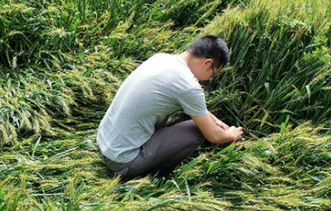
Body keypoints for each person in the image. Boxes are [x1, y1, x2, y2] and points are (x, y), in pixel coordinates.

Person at [97, 36, 244, 180]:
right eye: (212, 74)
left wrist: (218, 123)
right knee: (197, 131)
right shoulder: (188, 86)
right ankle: (153, 177)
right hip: (122, 161)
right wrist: (231, 135)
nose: (208, 79)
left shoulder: (161, 59)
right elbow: (214, 136)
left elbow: (198, 108)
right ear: (207, 63)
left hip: (105, 142)